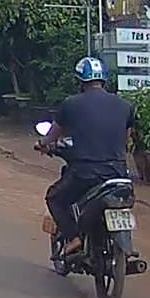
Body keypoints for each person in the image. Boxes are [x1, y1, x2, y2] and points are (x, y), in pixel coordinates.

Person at [36, 56, 136, 257]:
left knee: (54, 198)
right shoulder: (126, 105)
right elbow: (126, 140)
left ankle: (74, 237)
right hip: (118, 174)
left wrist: (42, 144)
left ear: (80, 81)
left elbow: (53, 134)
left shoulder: (71, 104)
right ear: (104, 80)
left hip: (86, 174)